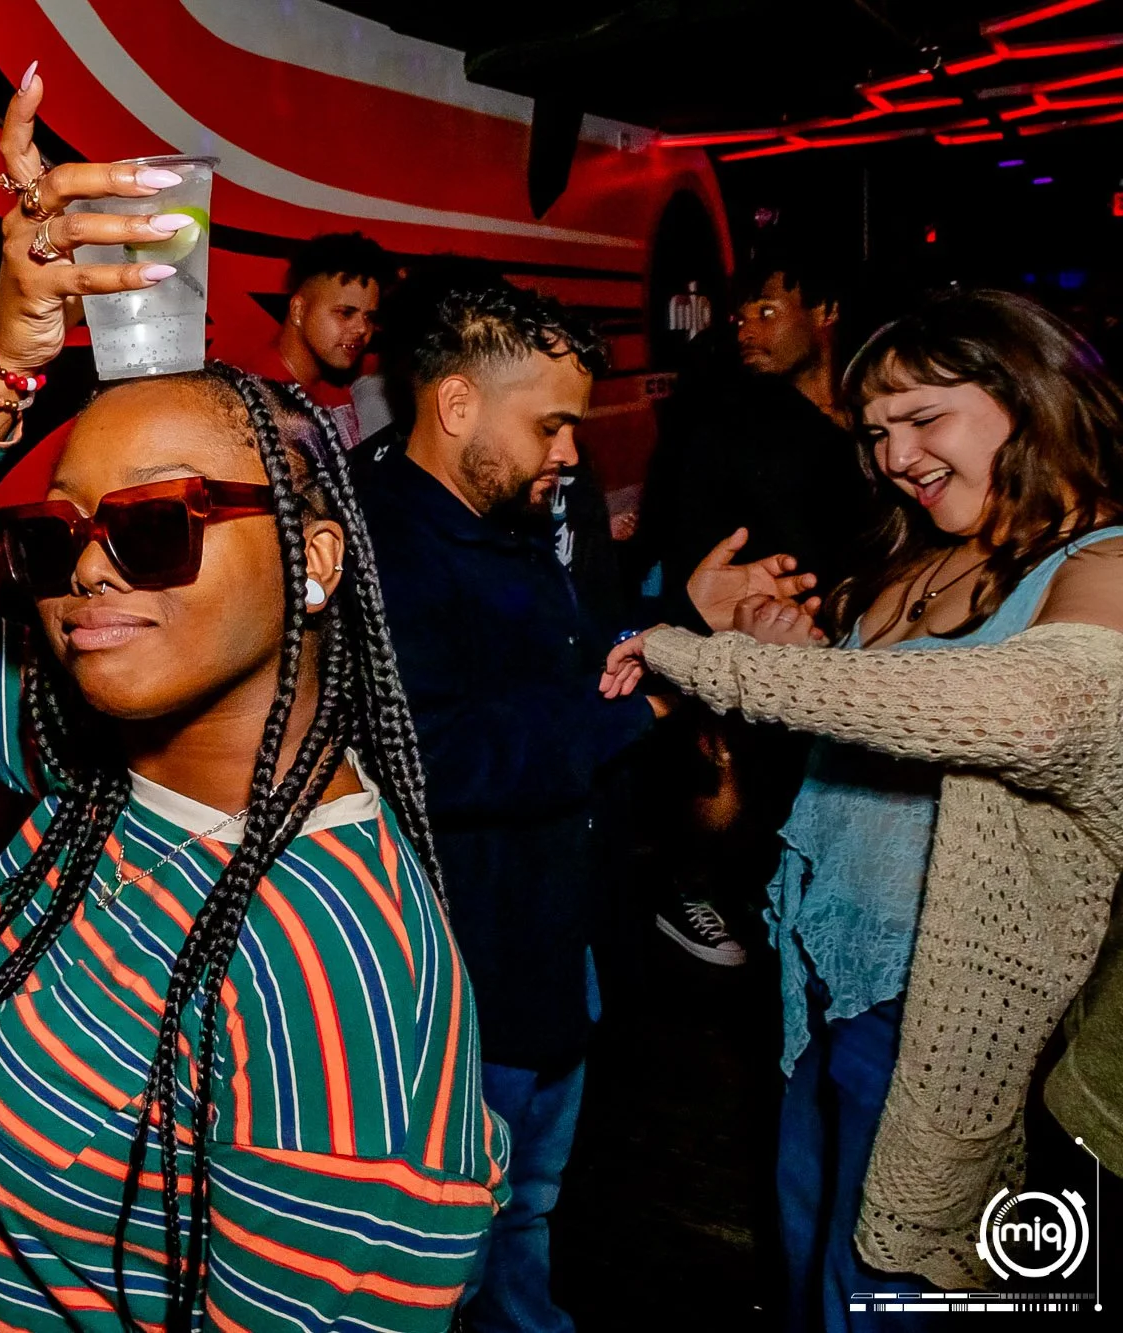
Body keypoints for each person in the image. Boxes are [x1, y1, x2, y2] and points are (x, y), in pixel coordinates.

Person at [0, 71, 506, 1330]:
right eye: (53, 534)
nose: (86, 568)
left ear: (313, 561)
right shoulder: (95, 760)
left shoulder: (335, 974)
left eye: (156, 523)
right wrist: (5, 361)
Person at [606, 289, 1123, 1321]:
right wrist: (772, 648)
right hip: (822, 977)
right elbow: (844, 721)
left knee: (892, 1284)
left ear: (1028, 399)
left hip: (941, 1009)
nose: (895, 457)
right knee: (812, 1259)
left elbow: (1024, 711)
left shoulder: (1101, 561)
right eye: (877, 431)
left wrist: (705, 659)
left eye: (923, 419)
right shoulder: (915, 553)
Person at [351, 281, 813, 1332]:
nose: (568, 451)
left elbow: (562, 666)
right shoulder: (384, 543)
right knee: (462, 1229)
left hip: (557, 934)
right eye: (550, 424)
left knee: (528, 1204)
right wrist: (657, 696)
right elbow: (438, 755)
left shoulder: (499, 508)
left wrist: (678, 617)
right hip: (466, 969)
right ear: (457, 404)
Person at [634, 248, 880, 967]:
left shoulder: (875, 415)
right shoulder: (725, 420)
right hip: (749, 649)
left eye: (767, 313)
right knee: (733, 792)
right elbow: (688, 546)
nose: (747, 330)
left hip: (850, 652)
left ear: (825, 313)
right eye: (740, 317)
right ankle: (692, 889)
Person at [217, 231, 393, 446]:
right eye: (345, 313)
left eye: (370, 317)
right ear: (298, 310)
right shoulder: (253, 398)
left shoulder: (340, 385)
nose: (362, 328)